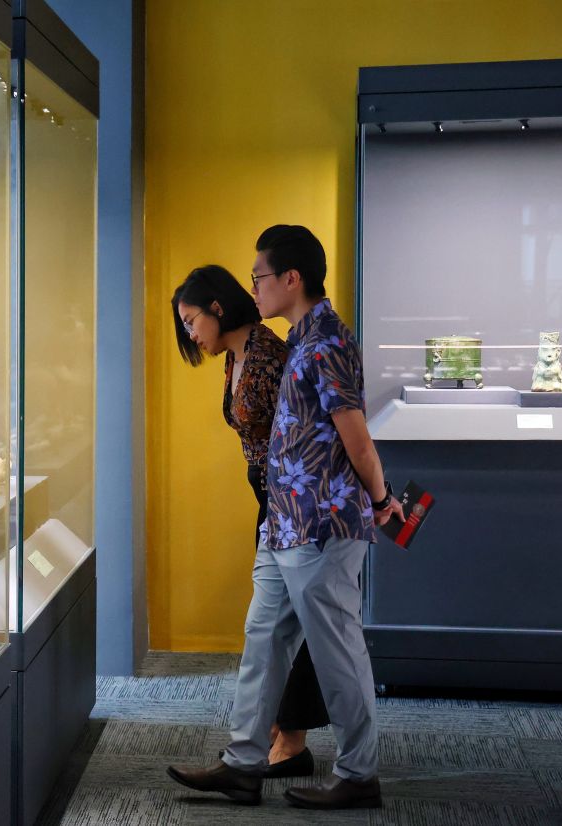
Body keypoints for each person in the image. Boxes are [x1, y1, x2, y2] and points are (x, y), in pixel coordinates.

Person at [168, 226, 404, 810]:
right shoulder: (300, 338)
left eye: (260, 276)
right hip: (285, 524)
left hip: (321, 526)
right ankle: (243, 763)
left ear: (290, 278)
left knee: (336, 650)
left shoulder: (324, 342)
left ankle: (357, 772)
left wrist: (381, 500)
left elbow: (358, 440)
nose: (255, 287)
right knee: (262, 640)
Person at [171, 264, 329, 778]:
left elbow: (306, 433)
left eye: (192, 321)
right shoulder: (235, 355)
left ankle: (289, 739)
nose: (191, 334)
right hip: (271, 494)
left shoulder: (267, 356)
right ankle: (273, 741)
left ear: (218, 308)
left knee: (296, 624)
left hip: (293, 499)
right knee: (275, 624)